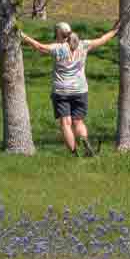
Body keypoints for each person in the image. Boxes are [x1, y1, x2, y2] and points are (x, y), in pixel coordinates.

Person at [19, 19, 120, 157]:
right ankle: (85, 142)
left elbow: (39, 46)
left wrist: (21, 34)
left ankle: (73, 153)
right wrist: (114, 30)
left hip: (61, 91)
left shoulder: (57, 48)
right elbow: (102, 39)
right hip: (80, 91)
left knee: (66, 123)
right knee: (78, 121)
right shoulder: (84, 45)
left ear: (59, 34)